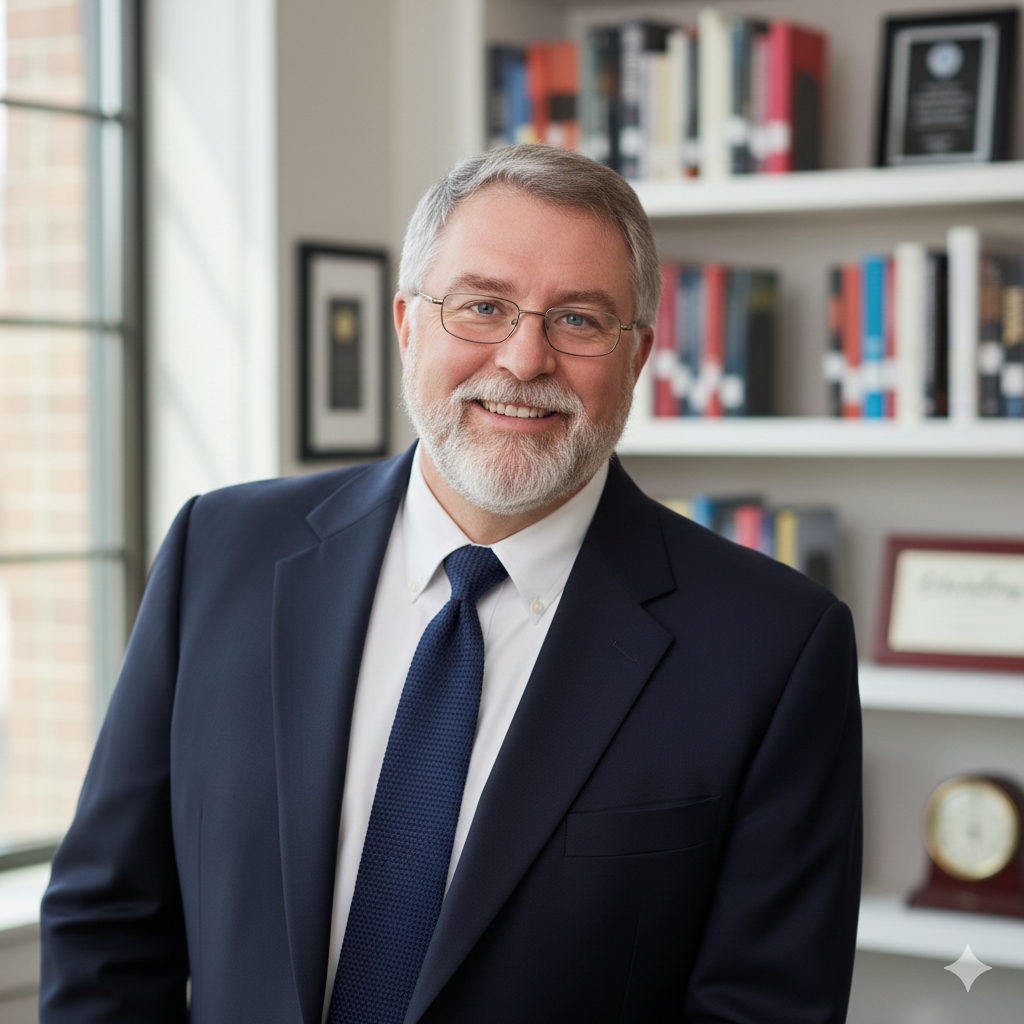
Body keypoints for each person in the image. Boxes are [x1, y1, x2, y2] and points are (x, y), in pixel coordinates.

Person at [40, 144, 861, 1024]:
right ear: (405, 323)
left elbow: (763, 1011)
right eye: (483, 306)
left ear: (638, 358)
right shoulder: (221, 551)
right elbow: (111, 922)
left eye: (579, 320)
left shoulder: (774, 648)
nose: (523, 359)